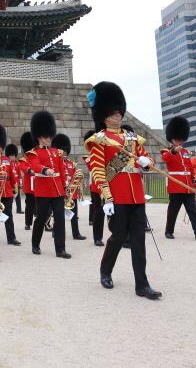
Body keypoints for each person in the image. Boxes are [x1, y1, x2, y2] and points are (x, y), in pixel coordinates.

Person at [85, 82, 161, 300]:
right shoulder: (99, 140)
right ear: (105, 116)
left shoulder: (132, 139)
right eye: (113, 113)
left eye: (119, 111)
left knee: (139, 240)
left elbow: (147, 161)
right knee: (117, 237)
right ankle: (105, 270)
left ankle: (142, 284)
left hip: (136, 195)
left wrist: (146, 162)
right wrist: (106, 197)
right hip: (116, 196)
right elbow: (99, 170)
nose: (118, 115)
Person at [26, 111, 70, 259]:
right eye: (45, 137)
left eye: (49, 136)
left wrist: (65, 186)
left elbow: (62, 171)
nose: (48, 139)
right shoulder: (33, 153)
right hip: (43, 190)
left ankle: (60, 249)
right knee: (41, 218)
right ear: (39, 137)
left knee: (60, 218)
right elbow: (35, 165)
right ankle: (35, 244)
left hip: (57, 189)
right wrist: (45, 170)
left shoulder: (56, 152)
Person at [161, 116, 196, 241]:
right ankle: (169, 231)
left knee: (192, 210)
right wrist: (173, 151)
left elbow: (189, 167)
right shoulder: (166, 151)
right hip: (176, 186)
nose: (179, 141)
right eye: (177, 139)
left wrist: (194, 181)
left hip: (188, 186)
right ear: (172, 139)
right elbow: (166, 159)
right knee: (173, 211)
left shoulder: (185, 152)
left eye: (181, 139)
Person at [52, 133, 87, 241]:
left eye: (66, 152)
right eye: (63, 152)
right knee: (58, 215)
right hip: (61, 192)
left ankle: (76, 233)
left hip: (72, 194)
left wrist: (81, 183)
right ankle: (55, 231)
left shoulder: (72, 164)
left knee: (74, 214)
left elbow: (76, 176)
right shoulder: (56, 164)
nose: (65, 154)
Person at [82, 130, 105, 246]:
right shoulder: (90, 157)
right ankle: (98, 237)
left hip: (111, 184)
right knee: (99, 212)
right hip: (97, 186)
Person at [18, 132, 36, 230]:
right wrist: (29, 170)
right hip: (29, 188)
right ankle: (28, 223)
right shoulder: (23, 160)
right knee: (29, 206)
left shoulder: (36, 158)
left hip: (39, 186)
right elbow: (23, 167)